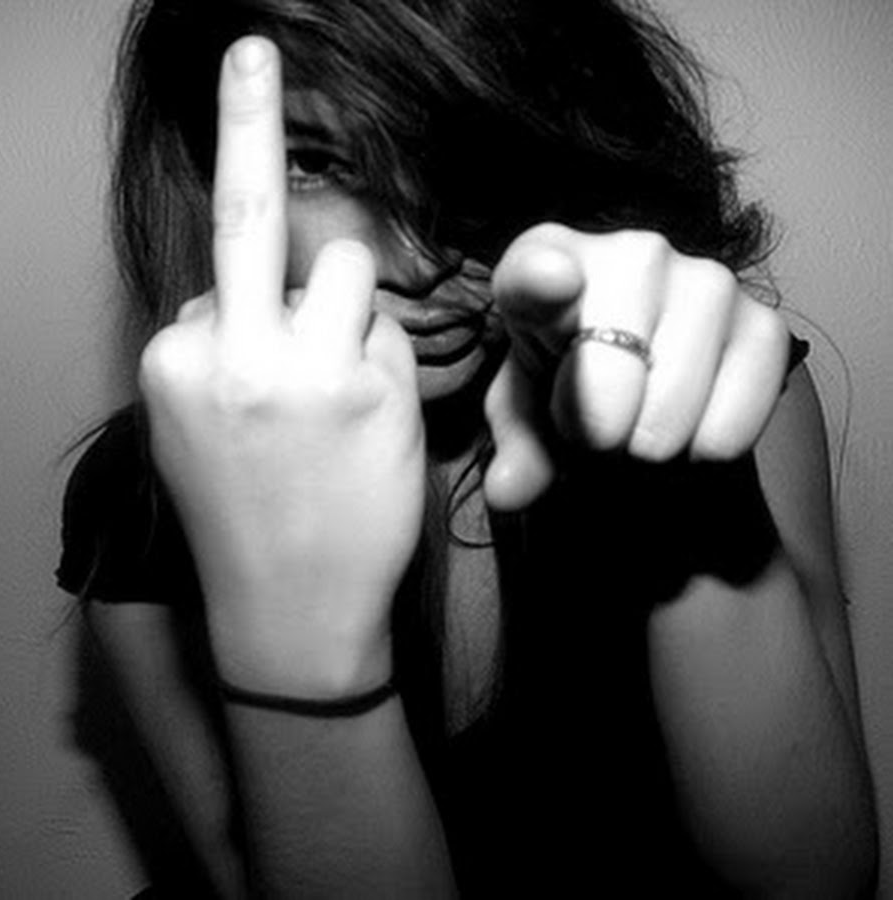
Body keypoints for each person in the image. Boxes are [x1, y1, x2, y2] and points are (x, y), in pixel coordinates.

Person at [58, 0, 877, 896]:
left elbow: (814, 883)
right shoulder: (138, 502)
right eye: (314, 161)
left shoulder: (721, 387)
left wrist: (674, 482)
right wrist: (296, 653)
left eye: (464, 154)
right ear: (206, 170)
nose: (418, 260)